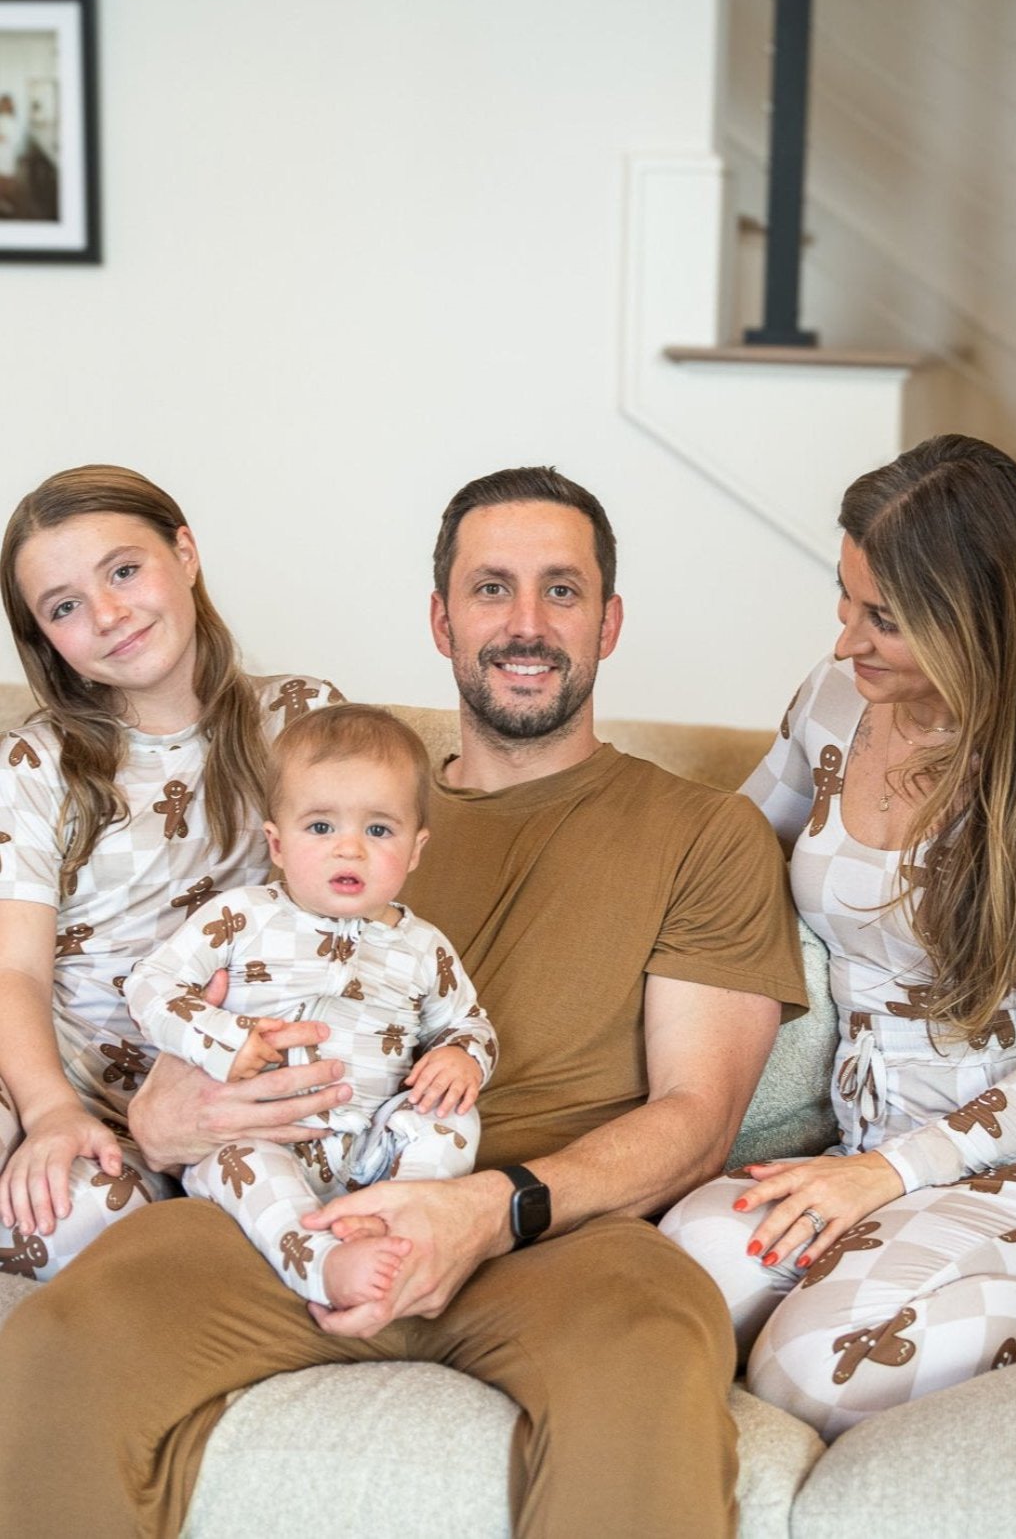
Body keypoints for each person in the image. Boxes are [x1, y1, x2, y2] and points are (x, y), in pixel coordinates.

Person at [0, 463, 807, 1539]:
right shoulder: (331, 816)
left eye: (562, 590)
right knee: (59, 1345)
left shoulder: (702, 832)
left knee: (651, 1351)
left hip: (548, 1237)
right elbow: (201, 997)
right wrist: (163, 1116)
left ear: (609, 622)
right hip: (296, 1209)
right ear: (440, 621)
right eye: (490, 589)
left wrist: (488, 1208)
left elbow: (695, 1120)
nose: (526, 624)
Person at [661, 434, 1016, 1441]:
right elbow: (723, 861)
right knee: (678, 1272)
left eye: (884, 620)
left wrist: (889, 1175)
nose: (843, 642)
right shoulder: (834, 704)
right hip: (863, 1147)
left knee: (812, 1374)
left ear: (976, 624)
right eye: (845, 597)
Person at [0, 464, 349, 1280]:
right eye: (64, 607)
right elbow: (16, 970)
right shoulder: (36, 762)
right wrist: (48, 1111)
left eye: (124, 571)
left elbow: (356, 913)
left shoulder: (301, 719)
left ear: (185, 553)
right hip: (56, 1079)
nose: (108, 614)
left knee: (84, 1221)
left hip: (220, 1080)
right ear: (45, 638)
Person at [125, 703, 498, 1308]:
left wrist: (462, 1057)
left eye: (379, 831)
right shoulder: (242, 916)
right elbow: (151, 984)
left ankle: (400, 1218)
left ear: (415, 850)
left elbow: (467, 1022)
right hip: (255, 1138)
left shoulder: (424, 947)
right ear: (277, 843)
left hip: (373, 1147)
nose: (349, 849)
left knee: (453, 1117)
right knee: (245, 1166)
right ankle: (321, 1264)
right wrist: (222, 1039)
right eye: (321, 827)